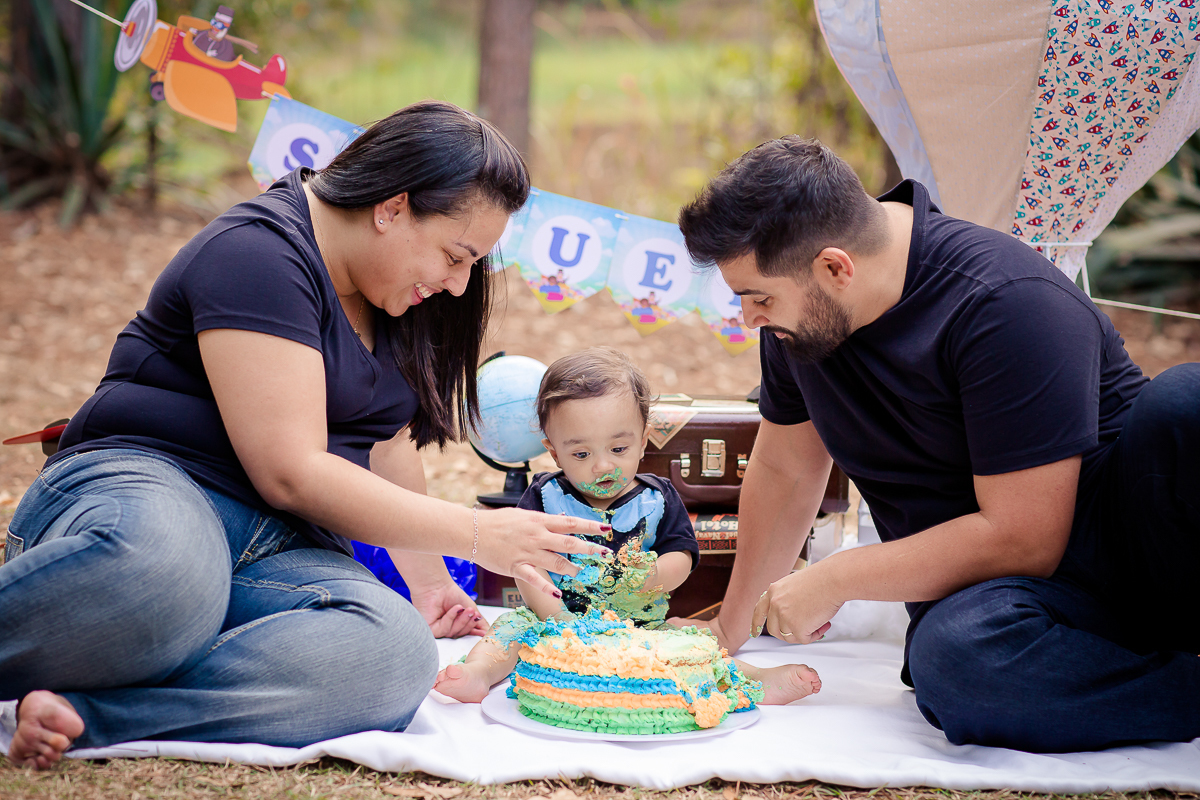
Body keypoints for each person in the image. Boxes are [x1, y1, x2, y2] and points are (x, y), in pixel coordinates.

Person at [0, 100, 610, 768]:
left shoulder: (394, 293)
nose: (460, 285)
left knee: (391, 651)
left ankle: (89, 715)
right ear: (393, 208)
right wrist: (475, 533)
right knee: (167, 578)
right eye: (455, 256)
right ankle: (138, 631)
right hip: (155, 489)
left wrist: (430, 584)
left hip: (279, 548)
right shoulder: (258, 252)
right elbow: (287, 471)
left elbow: (385, 439)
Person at [676, 135, 1199, 753]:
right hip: (1001, 599)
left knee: (1184, 401)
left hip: (1149, 552)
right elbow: (787, 467)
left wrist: (839, 577)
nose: (750, 320)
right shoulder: (799, 324)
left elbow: (1027, 536)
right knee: (957, 664)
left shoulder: (1007, 302)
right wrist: (731, 629)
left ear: (835, 267)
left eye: (760, 299)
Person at [434, 346, 822, 705]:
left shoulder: (657, 499)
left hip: (639, 627)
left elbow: (682, 555)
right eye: (581, 453)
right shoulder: (544, 497)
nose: (603, 466)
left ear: (643, 439)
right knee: (508, 628)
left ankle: (753, 681)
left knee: (691, 647)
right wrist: (555, 618)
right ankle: (479, 673)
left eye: (618, 449)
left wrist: (652, 576)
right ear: (554, 451)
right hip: (557, 622)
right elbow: (527, 565)